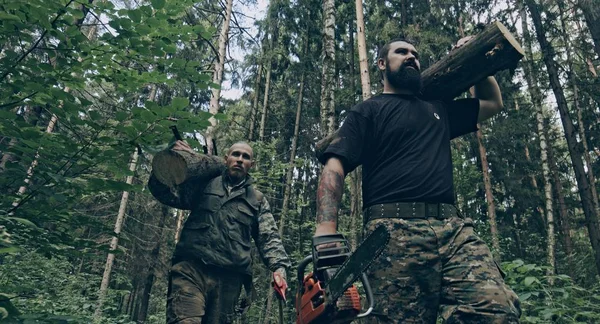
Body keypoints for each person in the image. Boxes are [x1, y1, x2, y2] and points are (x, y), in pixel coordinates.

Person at [313, 37, 521, 323]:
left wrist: (479, 63)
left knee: (496, 310)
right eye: (402, 52)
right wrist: (326, 230)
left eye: (415, 53)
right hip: (392, 233)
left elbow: (493, 103)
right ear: (382, 64)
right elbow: (334, 163)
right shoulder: (368, 111)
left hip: (454, 231)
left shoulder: (439, 109)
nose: (411, 56)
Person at [148, 141, 291, 324]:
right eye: (235, 154)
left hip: (229, 281)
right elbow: (165, 192)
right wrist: (171, 159)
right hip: (191, 270)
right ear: (225, 159)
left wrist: (279, 267)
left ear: (251, 165)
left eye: (245, 157)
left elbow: (269, 237)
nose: (239, 159)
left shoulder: (257, 200)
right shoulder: (204, 184)